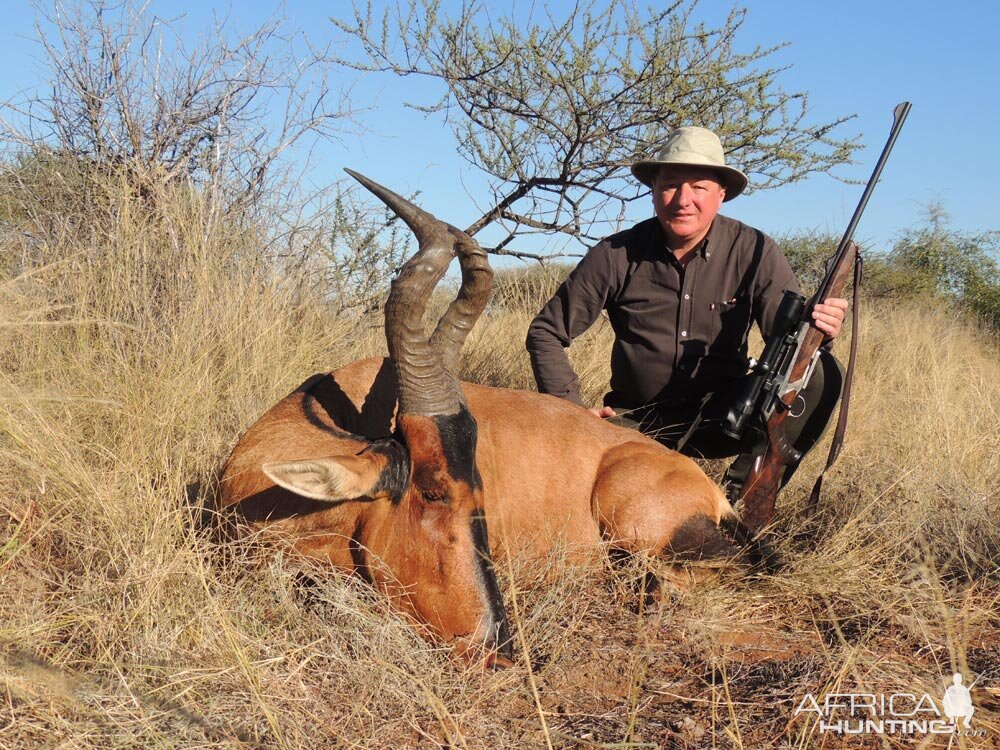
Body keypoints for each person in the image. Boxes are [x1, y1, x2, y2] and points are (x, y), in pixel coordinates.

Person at [526, 126, 849, 498]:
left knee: (821, 372)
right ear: (653, 190)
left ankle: (743, 500)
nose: (683, 199)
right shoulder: (615, 253)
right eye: (670, 185)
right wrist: (574, 415)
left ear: (721, 195)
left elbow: (791, 344)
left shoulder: (755, 249)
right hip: (637, 419)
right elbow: (546, 333)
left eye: (699, 187)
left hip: (728, 415)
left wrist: (820, 328)